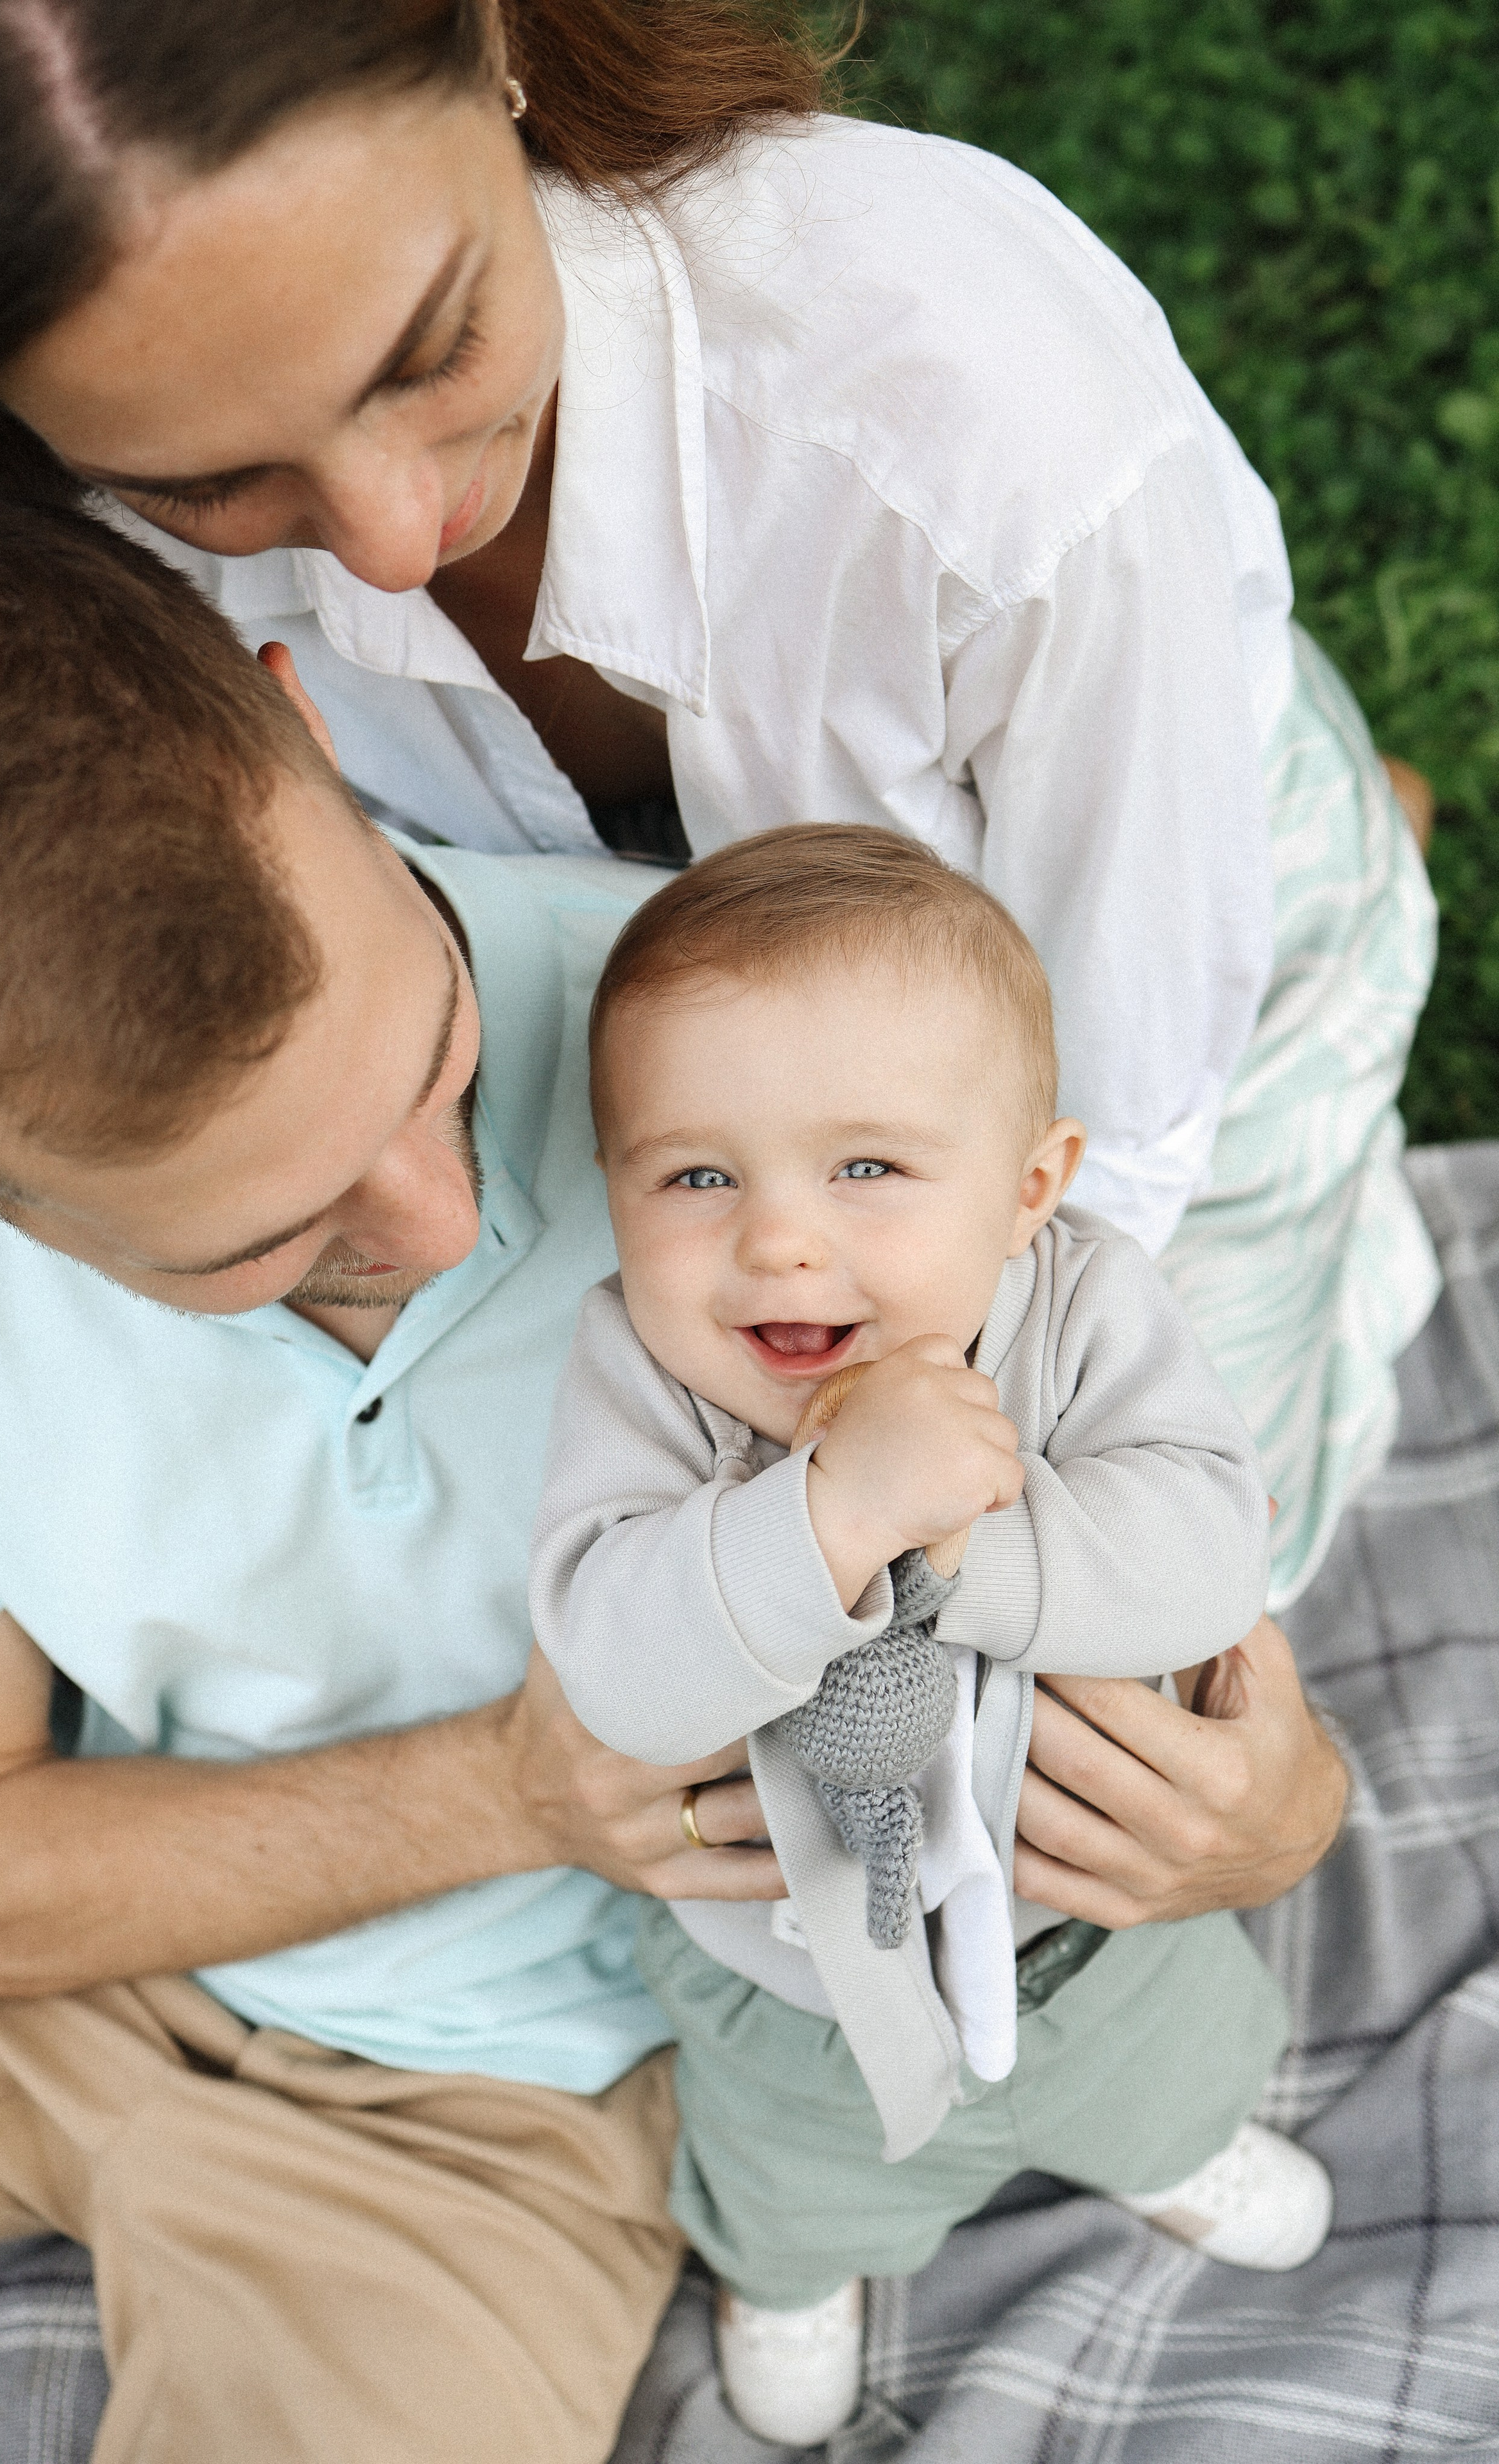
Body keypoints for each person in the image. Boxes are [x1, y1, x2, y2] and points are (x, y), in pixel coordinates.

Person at [0, 495, 1344, 2460]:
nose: (451, 1206)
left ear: (302, 730)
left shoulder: (762, 1093)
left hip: (501, 2116)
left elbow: (1129, 1519)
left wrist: (1275, 1813)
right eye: (258, 1240)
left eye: (440, 1058)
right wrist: (511, 1787)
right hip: (9, 1980)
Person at [0, 0, 1437, 1623]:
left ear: (492, 44)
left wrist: (1000, 1477)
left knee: (1116, 1618)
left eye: (429, 352)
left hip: (1123, 930)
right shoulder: (47, 534)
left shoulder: (982, 425)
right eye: (204, 484)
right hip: (695, 1014)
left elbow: (1121, 1118)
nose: (395, 542)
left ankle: (1348, 885)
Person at [532, 828, 1330, 2443]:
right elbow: (613, 1665)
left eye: (867, 1169)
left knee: (1165, 2077)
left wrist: (959, 1541)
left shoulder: (1088, 1308)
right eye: (693, 1175)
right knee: (800, 2168)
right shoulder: (638, 1371)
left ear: (1030, 1188)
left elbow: (1197, 1553)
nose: (775, 1242)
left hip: (1096, 1920)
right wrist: (829, 1519)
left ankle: (1165, 2159)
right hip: (798, 1970)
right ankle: (792, 2274)